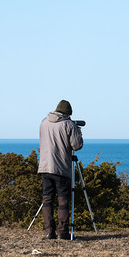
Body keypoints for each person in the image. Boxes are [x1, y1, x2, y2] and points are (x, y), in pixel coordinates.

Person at [38, 100, 83, 240]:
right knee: (63, 200)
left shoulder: (44, 122)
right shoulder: (68, 124)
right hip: (61, 168)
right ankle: (62, 233)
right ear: (68, 113)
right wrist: (78, 132)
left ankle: (48, 232)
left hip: (45, 167)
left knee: (47, 199)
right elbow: (76, 145)